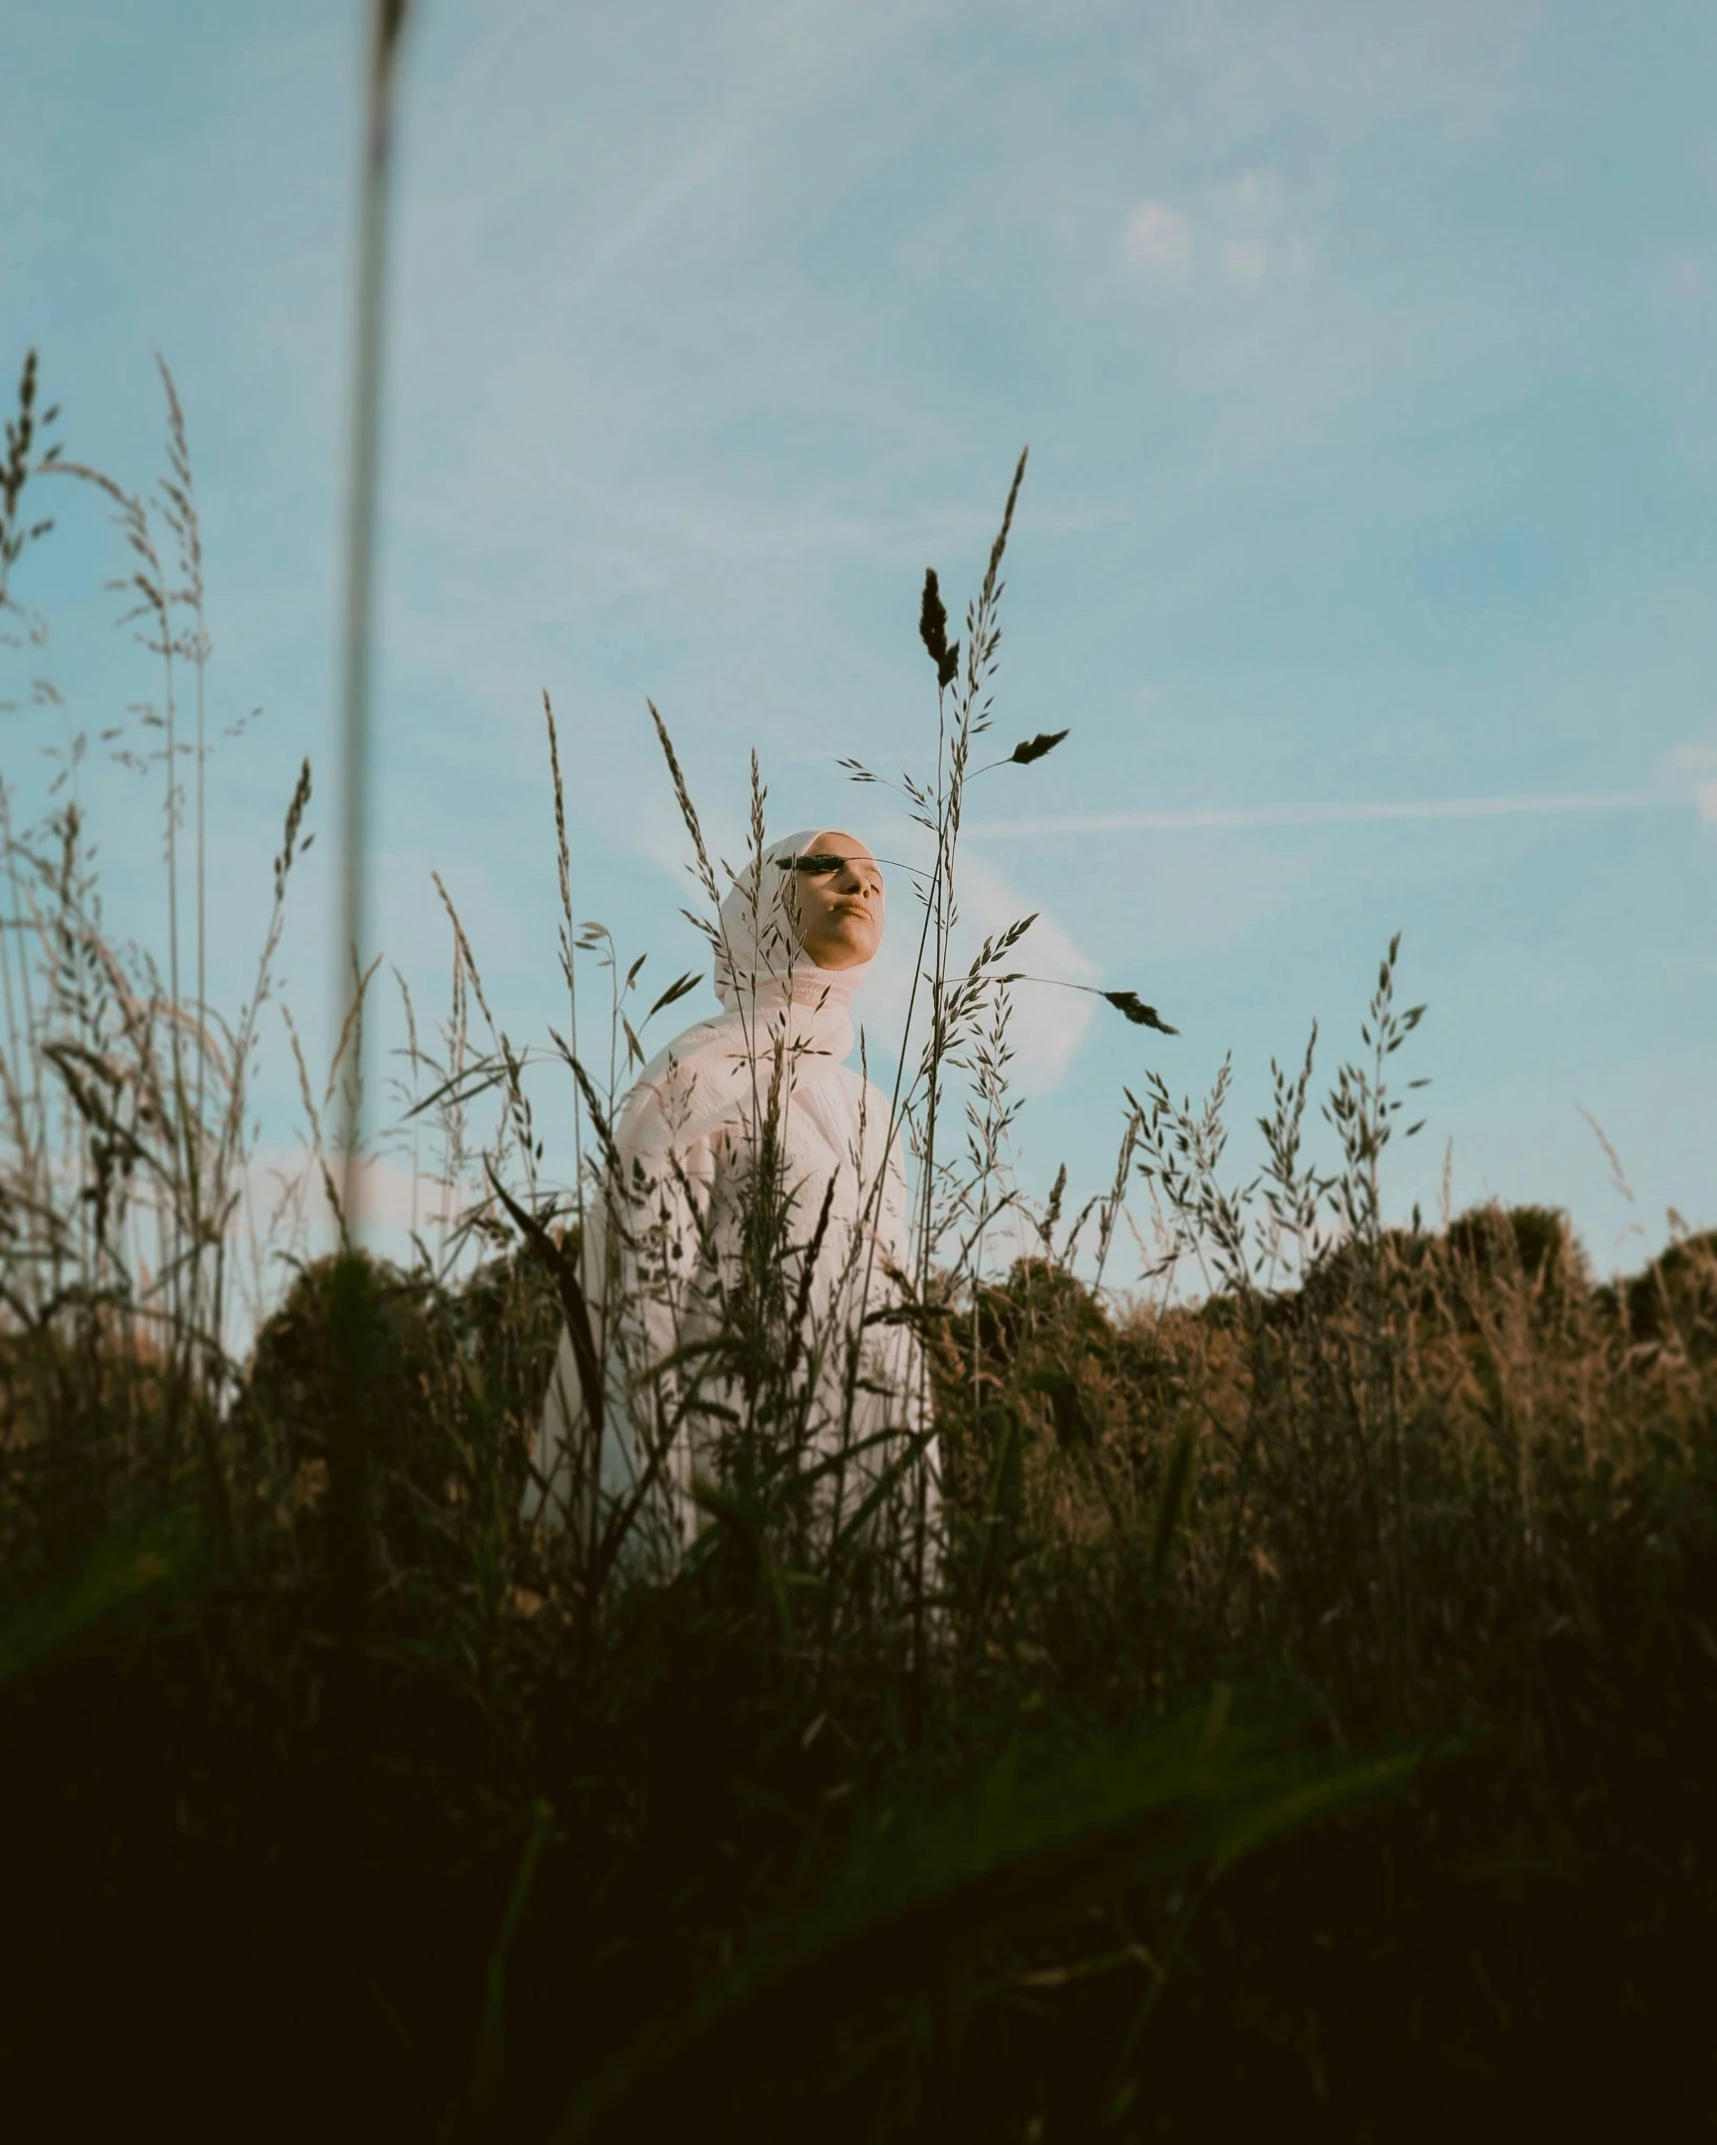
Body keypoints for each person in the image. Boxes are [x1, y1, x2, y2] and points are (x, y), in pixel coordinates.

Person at [528, 828, 935, 1591]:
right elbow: (643, 1304)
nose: (860, 884)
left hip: (865, 1447)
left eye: (875, 877)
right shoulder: (697, 1075)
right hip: (729, 1451)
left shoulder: (871, 1110)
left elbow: (893, 1311)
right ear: (758, 902)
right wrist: (653, 1505)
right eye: (825, 865)